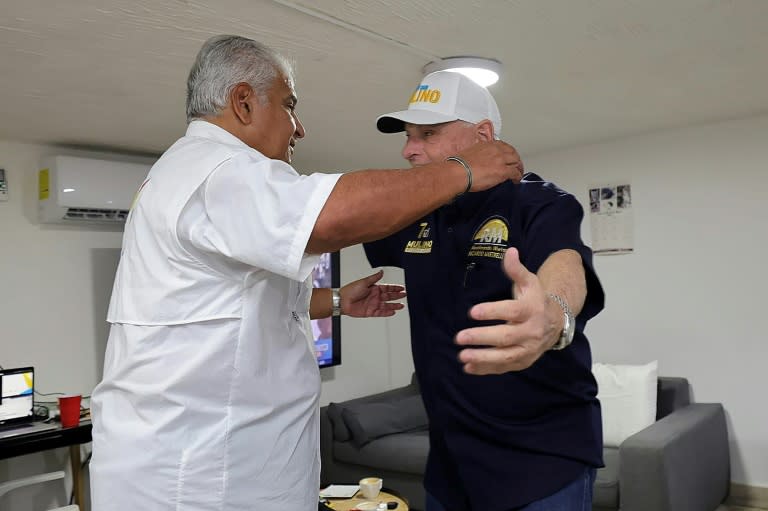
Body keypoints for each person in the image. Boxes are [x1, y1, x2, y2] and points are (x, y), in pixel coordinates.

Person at [89, 36, 523, 511]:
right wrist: (462, 170)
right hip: (200, 482)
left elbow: (228, 306)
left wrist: (335, 301)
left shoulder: (191, 174)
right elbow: (332, 216)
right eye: (289, 106)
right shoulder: (218, 171)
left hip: (215, 467)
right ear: (243, 102)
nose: (300, 128)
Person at [364, 70, 606, 511]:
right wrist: (336, 301)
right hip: (449, 464)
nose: (408, 149)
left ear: (483, 135)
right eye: (408, 136)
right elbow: (347, 221)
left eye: (428, 135)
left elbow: (565, 262)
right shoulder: (419, 211)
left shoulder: (539, 201)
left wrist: (552, 315)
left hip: (540, 462)